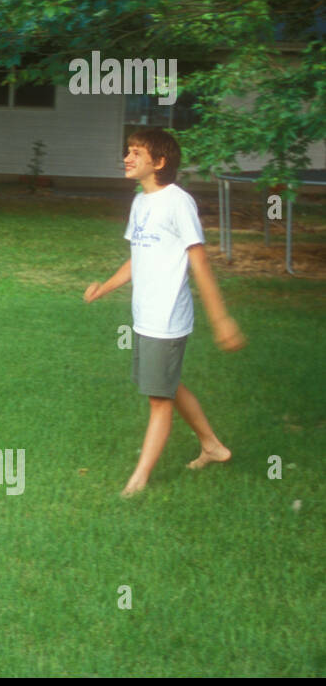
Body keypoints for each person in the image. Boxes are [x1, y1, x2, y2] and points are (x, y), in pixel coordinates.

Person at [83, 127, 246, 497]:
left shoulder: (177, 202)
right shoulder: (141, 202)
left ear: (158, 162)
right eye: (128, 151)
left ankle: (138, 480)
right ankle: (212, 446)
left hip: (167, 317)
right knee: (165, 385)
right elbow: (137, 259)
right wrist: (103, 288)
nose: (127, 158)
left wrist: (221, 319)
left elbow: (200, 262)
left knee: (159, 399)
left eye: (136, 153)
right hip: (146, 314)